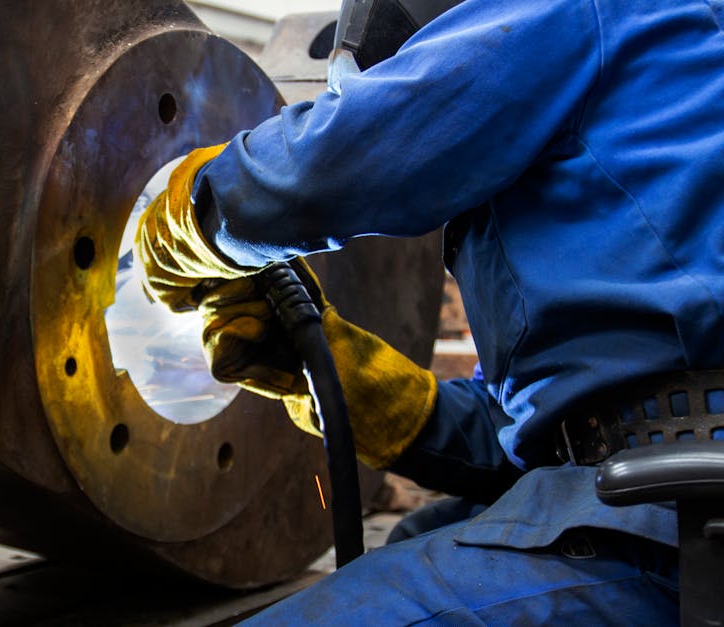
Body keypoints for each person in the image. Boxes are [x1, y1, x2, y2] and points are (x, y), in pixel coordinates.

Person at [136, 0, 724, 622]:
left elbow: (336, 162)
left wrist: (193, 216)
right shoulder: (608, 217)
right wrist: (347, 381)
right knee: (416, 535)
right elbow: (541, 440)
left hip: (679, 518)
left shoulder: (574, 11)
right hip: (655, 494)